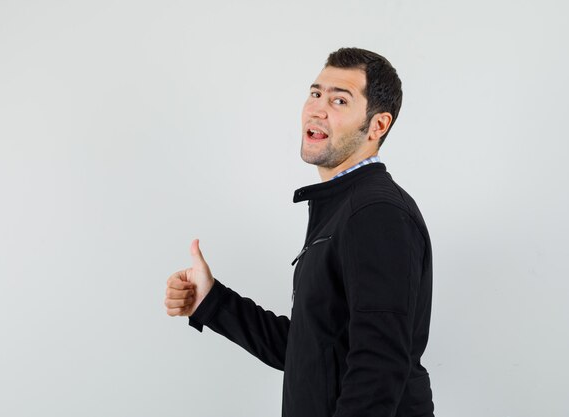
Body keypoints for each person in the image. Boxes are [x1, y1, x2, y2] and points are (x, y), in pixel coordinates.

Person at [164, 47, 435, 417]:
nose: (317, 108)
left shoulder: (376, 213)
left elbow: (380, 367)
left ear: (377, 125)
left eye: (340, 100)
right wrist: (212, 301)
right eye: (315, 93)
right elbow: (312, 350)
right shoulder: (344, 207)